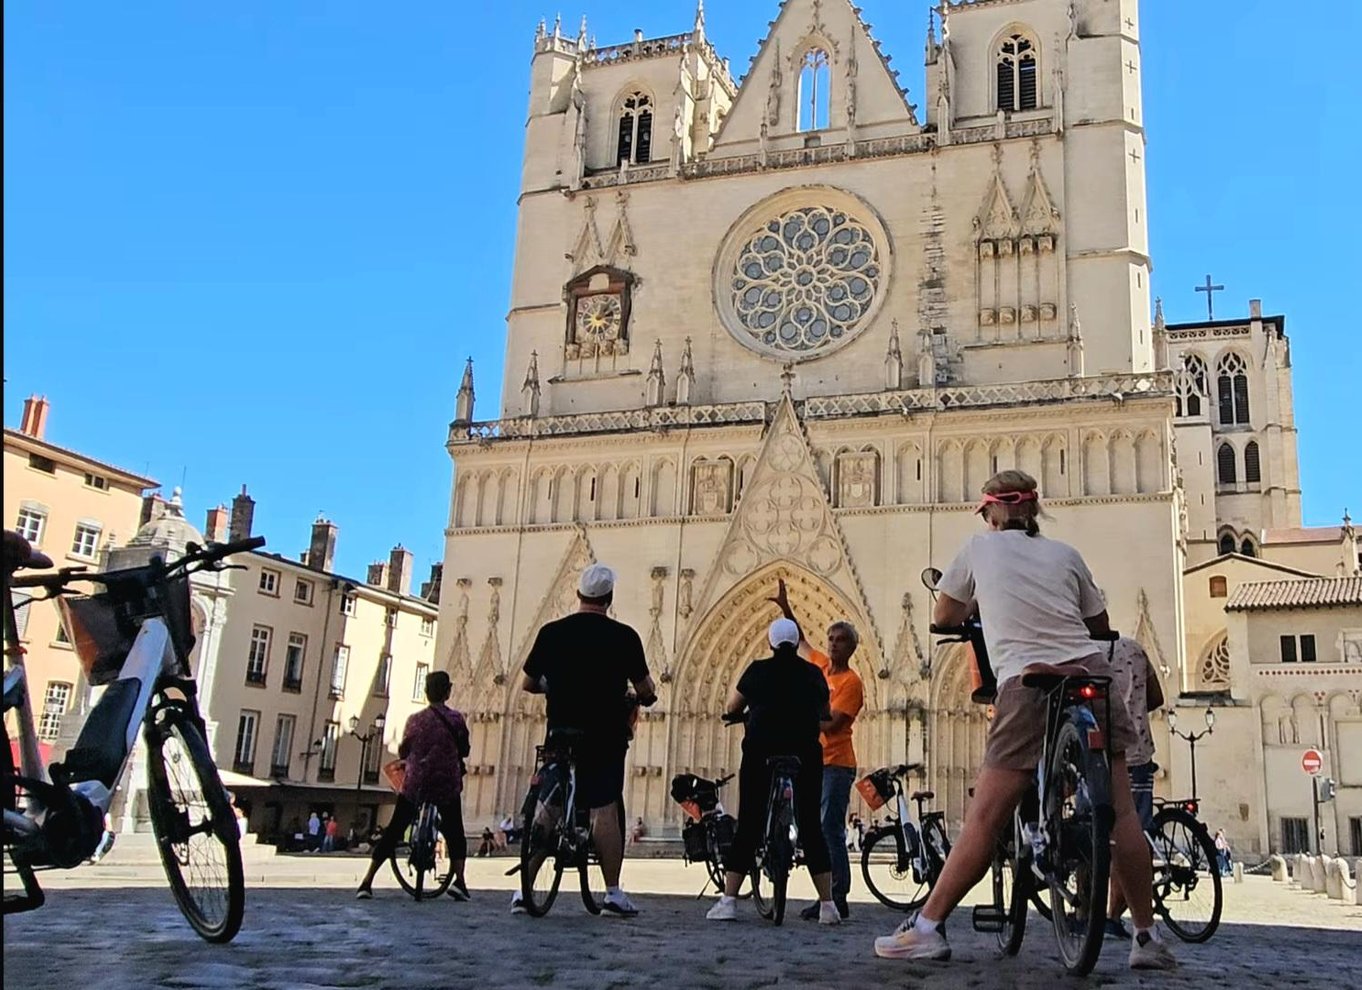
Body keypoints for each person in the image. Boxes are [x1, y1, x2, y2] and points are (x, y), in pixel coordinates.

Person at [872, 470, 1176, 970]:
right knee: (1123, 815)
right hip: (1092, 673)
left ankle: (926, 928)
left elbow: (946, 615)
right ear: (1034, 511)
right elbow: (1100, 626)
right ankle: (1145, 937)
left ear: (990, 511)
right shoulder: (1066, 555)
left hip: (1027, 680)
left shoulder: (977, 549)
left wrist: (985, 604)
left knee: (987, 817)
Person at [519, 563, 657, 918]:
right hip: (604, 733)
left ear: (578, 594)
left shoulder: (552, 633)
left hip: (560, 730)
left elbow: (528, 683)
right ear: (609, 599)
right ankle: (612, 892)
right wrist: (643, 696)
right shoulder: (624, 637)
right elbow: (645, 689)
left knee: (548, 802)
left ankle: (524, 892)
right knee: (604, 806)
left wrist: (551, 685)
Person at [706, 618, 841, 925]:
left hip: (761, 751)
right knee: (810, 824)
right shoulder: (812, 674)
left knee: (750, 820)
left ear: (770, 643)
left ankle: (728, 901)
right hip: (804, 753)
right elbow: (825, 713)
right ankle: (828, 906)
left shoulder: (757, 670)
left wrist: (737, 713)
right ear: (796, 645)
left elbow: (732, 705)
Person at [768, 578, 864, 922]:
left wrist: (797, 720)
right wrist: (785, 608)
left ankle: (837, 895)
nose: (834, 645)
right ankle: (825, 895)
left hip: (838, 764)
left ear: (851, 648)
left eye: (841, 641)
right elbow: (801, 643)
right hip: (816, 760)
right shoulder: (821, 667)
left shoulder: (851, 683)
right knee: (814, 828)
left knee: (829, 828)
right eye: (832, 639)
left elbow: (835, 723)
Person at [356, 671, 472, 901]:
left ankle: (366, 882)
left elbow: (404, 751)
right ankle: (460, 881)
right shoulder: (456, 719)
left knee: (395, 828)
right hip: (445, 783)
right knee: (455, 831)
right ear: (447, 692)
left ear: (426, 693)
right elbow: (465, 749)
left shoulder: (415, 720)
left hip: (416, 782)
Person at [1105, 635, 1164, 939]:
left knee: (1093, 834)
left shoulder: (1084, 652)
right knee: (1134, 832)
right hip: (1138, 751)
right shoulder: (1135, 650)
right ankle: (1115, 915)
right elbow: (1157, 698)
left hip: (1102, 755)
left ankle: (1086, 913)